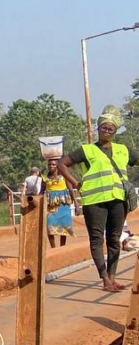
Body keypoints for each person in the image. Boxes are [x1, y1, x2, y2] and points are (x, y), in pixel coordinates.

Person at [58, 106, 138, 292]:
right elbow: (62, 164)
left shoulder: (123, 150)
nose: (107, 131)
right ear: (98, 128)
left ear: (115, 131)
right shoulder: (87, 150)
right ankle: (105, 279)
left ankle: (112, 277)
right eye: (104, 127)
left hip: (118, 200)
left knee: (114, 239)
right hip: (94, 202)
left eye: (111, 128)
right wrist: (76, 183)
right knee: (96, 239)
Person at [44, 157, 74, 248]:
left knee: (64, 227)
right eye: (49, 165)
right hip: (51, 206)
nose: (51, 166)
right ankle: (53, 248)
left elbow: (71, 190)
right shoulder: (45, 178)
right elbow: (41, 192)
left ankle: (62, 248)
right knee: (49, 227)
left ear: (58, 166)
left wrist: (76, 204)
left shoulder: (64, 177)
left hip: (63, 205)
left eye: (53, 164)